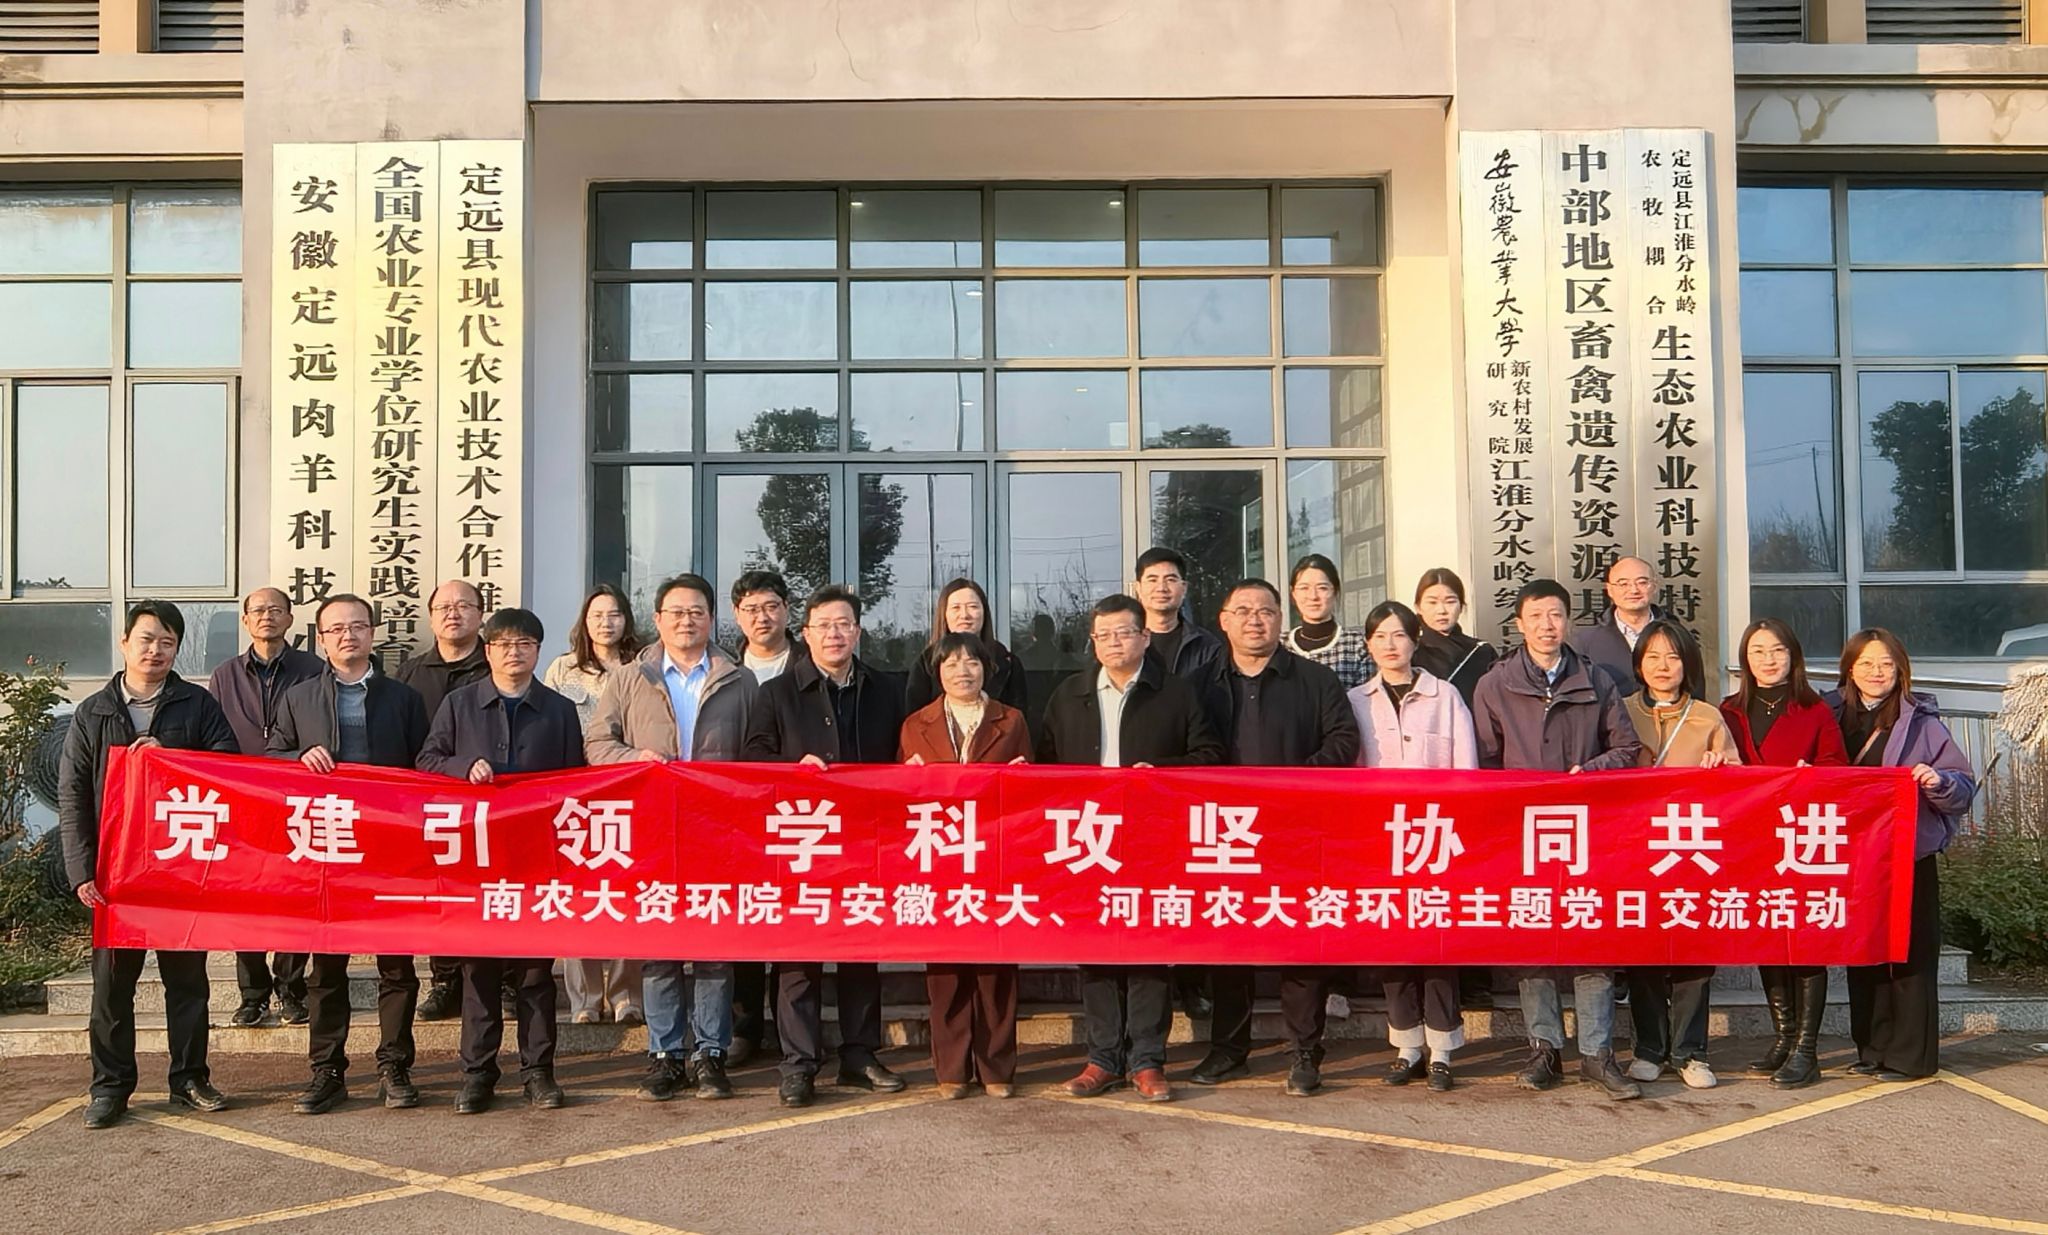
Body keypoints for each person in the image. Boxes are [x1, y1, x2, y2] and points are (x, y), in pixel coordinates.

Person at [61, 600, 239, 1130]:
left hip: (178, 869)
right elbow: (73, 795)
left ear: (177, 649)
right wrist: (81, 870)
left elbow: (229, 768)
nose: (155, 650)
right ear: (124, 643)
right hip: (116, 875)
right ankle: (110, 1087)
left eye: (167, 641)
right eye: (146, 639)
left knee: (188, 983)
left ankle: (190, 1079)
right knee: (112, 988)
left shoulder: (197, 704)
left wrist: (171, 760)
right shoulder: (94, 712)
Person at [1038, 594, 1224, 1103]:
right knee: (1094, 948)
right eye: (1103, 635)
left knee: (1148, 949)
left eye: (1124, 633)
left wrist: (1160, 772)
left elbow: (1210, 755)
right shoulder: (1069, 694)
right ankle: (1102, 1059)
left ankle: (1147, 1061)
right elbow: (1046, 763)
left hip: (1153, 837)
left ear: (1145, 637)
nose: (1113, 643)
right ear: (1092, 642)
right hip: (1088, 839)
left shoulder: (1177, 693)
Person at [586, 573, 758, 1103]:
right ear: (657, 619)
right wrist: (633, 759)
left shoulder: (739, 680)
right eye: (676, 612)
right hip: (652, 829)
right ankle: (665, 1055)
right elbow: (597, 743)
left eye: (697, 612)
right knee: (659, 947)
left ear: (712, 620)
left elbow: (758, 754)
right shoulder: (629, 678)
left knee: (713, 949)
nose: (687, 621)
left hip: (717, 831)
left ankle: (710, 1054)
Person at [1471, 579, 1644, 1099]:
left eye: (1556, 615)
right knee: (1534, 940)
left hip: (1588, 828)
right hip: (1523, 833)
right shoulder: (1494, 685)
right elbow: (1484, 762)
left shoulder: (1596, 679)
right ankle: (1543, 1049)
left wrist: (1588, 773)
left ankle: (1597, 1053)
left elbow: (1627, 747)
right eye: (1536, 616)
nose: (1547, 625)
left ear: (1568, 621)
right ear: (1519, 624)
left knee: (1592, 936)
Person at [744, 583, 909, 1108]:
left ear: (857, 632)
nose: (834, 634)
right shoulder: (776, 693)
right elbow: (753, 759)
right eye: (824, 625)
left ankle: (860, 1055)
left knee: (861, 952)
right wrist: (791, 770)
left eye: (843, 624)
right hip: (802, 840)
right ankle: (799, 1064)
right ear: (806, 633)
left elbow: (906, 755)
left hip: (867, 840)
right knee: (799, 958)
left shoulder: (888, 689)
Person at [1192, 579, 1359, 1096]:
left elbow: (1344, 740)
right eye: (1242, 611)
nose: (1254, 620)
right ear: (1223, 621)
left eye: (1265, 611)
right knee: (1227, 941)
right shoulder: (1199, 685)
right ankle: (1229, 1050)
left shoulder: (1314, 679)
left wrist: (1296, 783)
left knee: (1300, 940)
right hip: (1225, 832)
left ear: (1280, 620)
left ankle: (1305, 1051)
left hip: (1297, 827)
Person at [269, 594, 432, 1115]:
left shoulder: (402, 698)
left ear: (372, 633)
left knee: (396, 965)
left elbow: (426, 764)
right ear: (321, 639)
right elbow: (270, 759)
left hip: (390, 847)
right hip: (327, 845)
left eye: (357, 626)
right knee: (326, 967)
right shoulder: (298, 698)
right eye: (336, 629)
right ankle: (327, 1070)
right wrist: (299, 757)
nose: (348, 636)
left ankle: (394, 1066)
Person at [418, 608, 584, 1113]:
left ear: (538, 651)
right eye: (504, 644)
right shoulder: (459, 704)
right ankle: (477, 1074)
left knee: (535, 976)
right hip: (477, 861)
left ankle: (538, 1072)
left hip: (536, 861)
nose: (515, 652)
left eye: (525, 644)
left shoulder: (558, 709)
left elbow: (576, 779)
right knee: (479, 973)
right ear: (487, 651)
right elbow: (427, 760)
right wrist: (462, 765)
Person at [1828, 628, 1975, 1081]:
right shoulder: (1829, 717)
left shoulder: (1922, 723)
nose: (1876, 672)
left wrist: (1938, 781)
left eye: (1886, 664)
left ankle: (1912, 1057)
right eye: (1866, 663)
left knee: (1911, 956)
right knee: (1865, 953)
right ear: (1849, 669)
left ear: (1900, 670)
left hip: (1908, 857)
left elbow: (1963, 788)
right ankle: (1872, 1048)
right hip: (1852, 858)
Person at [897, 631, 1033, 1099]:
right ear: (938, 672)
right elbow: (900, 795)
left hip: (995, 855)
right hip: (939, 856)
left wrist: (1023, 779)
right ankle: (952, 1069)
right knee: (946, 968)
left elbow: (1032, 787)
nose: (962, 671)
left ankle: (997, 1068)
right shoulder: (916, 724)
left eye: (972, 662)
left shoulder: (1011, 720)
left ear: (986, 670)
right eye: (951, 662)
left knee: (997, 966)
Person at [1348, 600, 1475, 1092]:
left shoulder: (1445, 696)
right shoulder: (1357, 700)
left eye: (1398, 635)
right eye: (1380, 636)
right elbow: (1351, 772)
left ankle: (1442, 1049)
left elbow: (1465, 768)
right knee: (1394, 942)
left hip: (1436, 838)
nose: (1390, 645)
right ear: (1368, 645)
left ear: (1415, 640)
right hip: (1381, 840)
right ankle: (1407, 1047)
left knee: (1437, 942)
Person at [1717, 617, 1848, 1088]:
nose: (1768, 660)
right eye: (1757, 651)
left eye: (1777, 651)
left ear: (1793, 657)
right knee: (1769, 938)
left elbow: (1837, 767)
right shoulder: (1729, 710)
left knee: (1806, 943)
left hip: (1800, 840)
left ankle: (1807, 1050)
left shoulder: (1815, 710)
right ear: (1745, 659)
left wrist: (1809, 775)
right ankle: (1783, 1037)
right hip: (1752, 842)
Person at [1621, 619, 1740, 1091]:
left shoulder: (1708, 716)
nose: (1663, 666)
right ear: (1639, 664)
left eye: (1672, 657)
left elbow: (1739, 783)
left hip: (1691, 850)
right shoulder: (1621, 711)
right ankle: (1649, 1048)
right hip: (1636, 850)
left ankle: (1692, 1052)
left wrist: (1721, 766)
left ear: (1687, 664)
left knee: (1693, 952)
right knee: (1643, 952)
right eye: (1652, 657)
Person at [208, 586, 323, 1028]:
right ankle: (252, 994)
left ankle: (291, 989)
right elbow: (214, 736)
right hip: (243, 802)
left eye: (276, 609)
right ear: (245, 620)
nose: (266, 616)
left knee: (296, 894)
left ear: (290, 619)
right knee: (246, 898)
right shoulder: (225, 675)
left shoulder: (313, 669)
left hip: (297, 798)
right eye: (257, 610)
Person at [543, 584, 645, 1028]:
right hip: (575, 798)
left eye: (615, 614)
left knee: (629, 895)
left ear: (627, 620)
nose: (606, 622)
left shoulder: (644, 666)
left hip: (630, 793)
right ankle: (584, 998)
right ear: (584, 622)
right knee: (577, 896)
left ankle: (626, 996)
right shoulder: (562, 669)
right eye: (597, 615)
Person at [396, 578, 492, 1022]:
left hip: (491, 802)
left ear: (481, 614)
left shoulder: (496, 664)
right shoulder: (410, 673)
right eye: (444, 607)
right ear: (431, 617)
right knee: (441, 894)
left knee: (492, 890)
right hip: (429, 802)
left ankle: (502, 977)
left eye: (464, 605)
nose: (453, 613)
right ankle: (445, 979)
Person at [726, 568, 802, 1063]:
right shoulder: (723, 671)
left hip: (802, 816)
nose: (762, 617)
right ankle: (745, 1027)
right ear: (737, 616)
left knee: (795, 921)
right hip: (740, 813)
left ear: (787, 611)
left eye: (771, 606)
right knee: (748, 918)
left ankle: (794, 1029)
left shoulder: (810, 665)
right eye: (751, 609)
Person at [903, 578, 1029, 718]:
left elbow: (1019, 722)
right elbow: (915, 720)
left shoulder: (1008, 663)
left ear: (984, 612)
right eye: (956, 608)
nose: (964, 615)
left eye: (973, 607)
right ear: (944, 614)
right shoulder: (925, 664)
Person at [1575, 556, 1665, 694]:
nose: (1634, 590)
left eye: (1642, 582)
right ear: (1609, 589)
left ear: (1654, 586)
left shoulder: (1676, 634)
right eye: (1623, 584)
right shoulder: (1585, 641)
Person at [1280, 553, 1371, 690]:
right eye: (1304, 588)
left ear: (1335, 592)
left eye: (1322, 588)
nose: (1313, 596)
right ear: (1293, 593)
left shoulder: (1357, 644)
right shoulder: (1280, 645)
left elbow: (1365, 697)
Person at [1411, 567, 1498, 707]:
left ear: (1462, 606)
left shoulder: (1481, 651)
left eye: (1450, 602)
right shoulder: (1410, 652)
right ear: (1418, 607)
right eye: (1432, 602)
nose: (1441, 610)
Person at [1133, 547, 1223, 679]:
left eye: (1170, 580)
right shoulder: (1123, 641)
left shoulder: (1207, 646)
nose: (1161, 588)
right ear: (1138, 588)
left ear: (1184, 588)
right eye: (1152, 580)